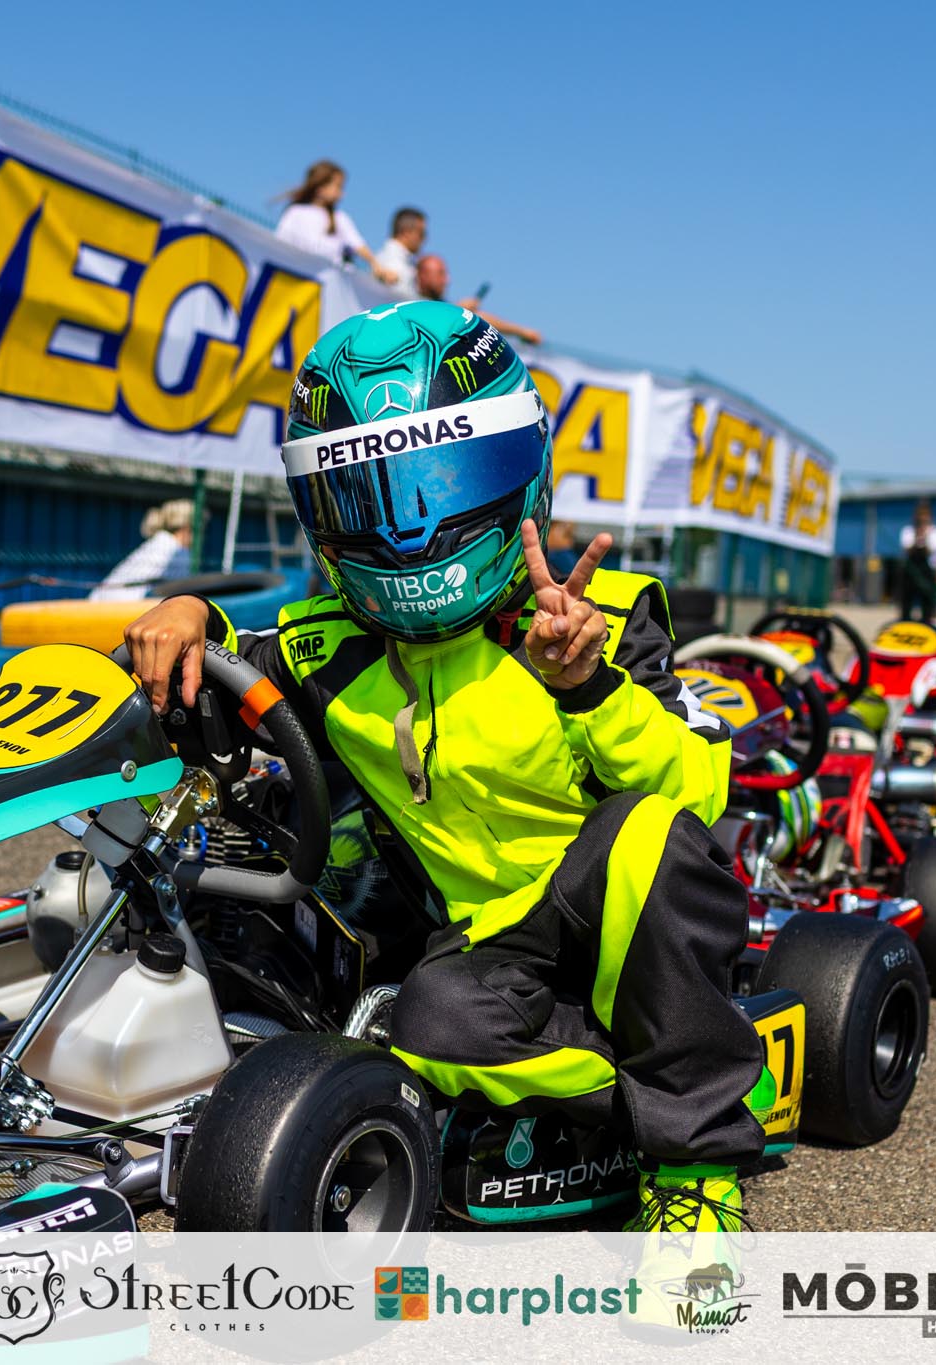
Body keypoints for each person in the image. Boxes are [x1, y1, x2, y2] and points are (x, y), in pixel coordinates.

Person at [122, 302, 760, 1308]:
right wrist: (186, 608)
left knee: (644, 832)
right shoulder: (325, 649)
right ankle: (667, 1080)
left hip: (626, 910)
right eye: (370, 493)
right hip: (491, 938)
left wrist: (588, 687)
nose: (408, 525)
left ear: (514, 472)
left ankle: (694, 1173)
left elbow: (697, 793)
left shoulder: (599, 619)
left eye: (440, 485)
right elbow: (221, 664)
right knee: (424, 1022)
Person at [272, 159, 398, 284]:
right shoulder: (295, 213)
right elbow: (279, 244)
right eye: (338, 187)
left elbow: (358, 245)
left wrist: (375, 264)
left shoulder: (340, 219)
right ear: (320, 187)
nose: (341, 194)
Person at [413, 253, 544, 347]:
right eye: (440, 273)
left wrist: (522, 331)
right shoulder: (408, 301)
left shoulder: (440, 303)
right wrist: (458, 310)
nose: (447, 280)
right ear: (423, 275)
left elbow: (480, 318)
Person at [89, 499, 194, 601]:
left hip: (100, 601)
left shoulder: (161, 541)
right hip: (117, 605)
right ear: (187, 527)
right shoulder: (176, 550)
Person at [896, 501, 936, 621]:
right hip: (911, 571)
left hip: (928, 573)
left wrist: (924, 536)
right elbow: (907, 548)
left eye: (925, 515)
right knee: (906, 603)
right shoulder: (908, 531)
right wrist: (917, 536)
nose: (922, 518)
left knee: (927, 605)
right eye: (920, 515)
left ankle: (927, 622)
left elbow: (930, 550)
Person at [375, 206, 426, 299]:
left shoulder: (402, 260)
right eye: (422, 233)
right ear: (406, 232)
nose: (424, 239)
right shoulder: (392, 260)